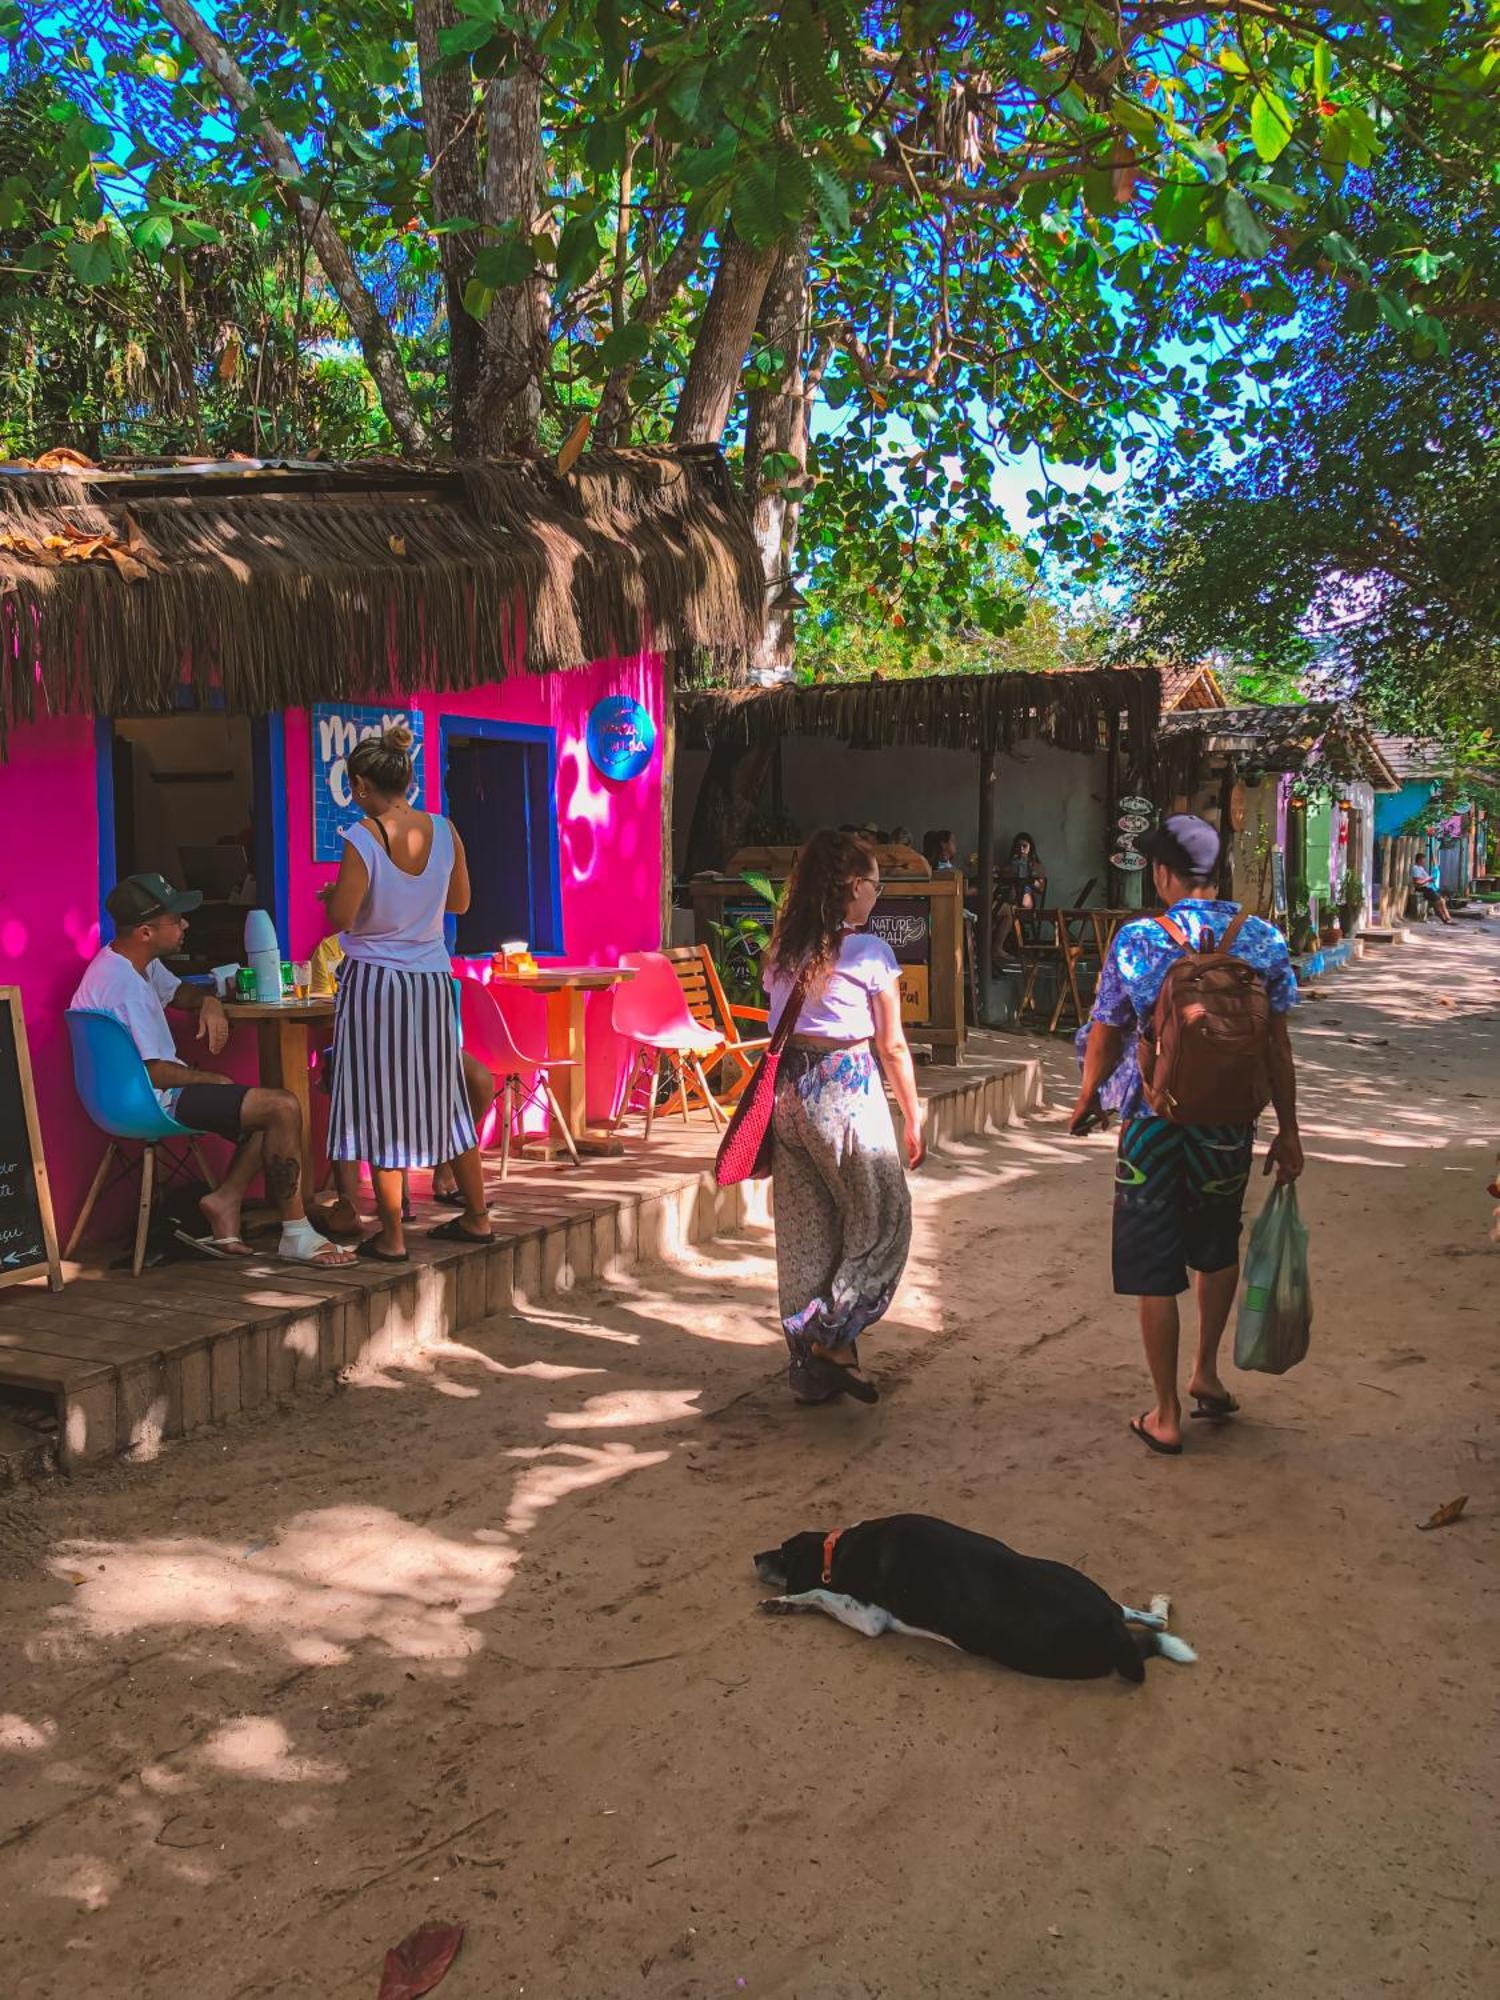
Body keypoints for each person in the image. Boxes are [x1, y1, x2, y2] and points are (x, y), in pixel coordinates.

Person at [1070, 814, 1304, 1456]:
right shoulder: (1260, 939)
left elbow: (1107, 1028)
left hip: (1152, 1122)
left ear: (1163, 873)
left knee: (1153, 1263)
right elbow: (1277, 1046)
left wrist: (1089, 1098)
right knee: (1215, 1243)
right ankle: (1207, 1372)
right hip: (1227, 1124)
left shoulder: (1139, 939)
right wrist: (1288, 1131)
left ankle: (1166, 1411)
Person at [70, 873, 352, 1266]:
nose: (186, 926)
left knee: (263, 1107)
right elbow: (154, 1071)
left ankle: (224, 1201)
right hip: (151, 1098)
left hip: (134, 1094)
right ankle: (296, 1234)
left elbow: (179, 992)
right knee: (282, 1106)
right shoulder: (123, 986)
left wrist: (209, 1003)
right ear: (147, 931)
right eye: (176, 920)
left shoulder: (131, 962)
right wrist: (211, 1079)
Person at [763, 829, 925, 1406]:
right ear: (852, 888)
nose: (878, 897)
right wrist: (912, 1115)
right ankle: (831, 1337)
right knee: (882, 1221)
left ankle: (816, 1362)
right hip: (845, 1096)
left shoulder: (782, 950)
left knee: (809, 1232)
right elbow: (894, 1047)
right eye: (876, 885)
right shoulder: (869, 953)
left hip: (788, 1100)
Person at [320, 724, 493, 1261]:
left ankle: (392, 1235)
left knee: (379, 1103)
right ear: (411, 780)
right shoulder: (445, 830)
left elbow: (342, 916)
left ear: (359, 785)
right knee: (446, 1098)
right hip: (432, 982)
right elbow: (459, 904)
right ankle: (478, 1216)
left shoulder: (363, 837)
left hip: (376, 982)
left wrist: (337, 895)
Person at [305, 931, 496, 1231]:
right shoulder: (331, 950)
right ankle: (357, 1207)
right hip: (364, 1041)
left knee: (479, 1080)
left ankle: (444, 1169)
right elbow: (322, 1008)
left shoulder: (412, 939)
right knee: (384, 1088)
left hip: (423, 1039)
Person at [1410, 858, 1452, 924]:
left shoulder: (1421, 868)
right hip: (1423, 889)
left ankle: (1447, 918)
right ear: (1419, 860)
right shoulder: (1415, 868)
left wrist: (1430, 879)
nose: (1424, 861)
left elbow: (1425, 879)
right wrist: (1428, 880)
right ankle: (1446, 919)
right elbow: (1417, 882)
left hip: (1428, 888)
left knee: (1441, 901)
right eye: (1423, 860)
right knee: (1439, 901)